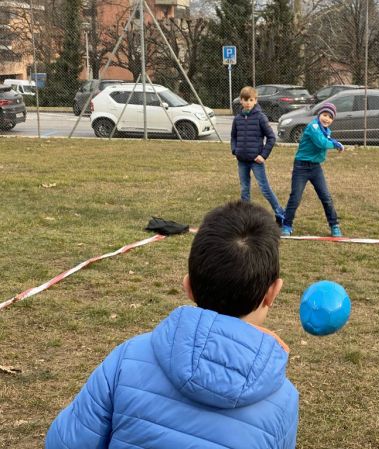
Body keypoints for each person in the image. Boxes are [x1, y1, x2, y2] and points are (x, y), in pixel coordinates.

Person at [45, 201, 299, 449]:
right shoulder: (284, 400)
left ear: (188, 286)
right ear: (273, 293)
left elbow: (64, 442)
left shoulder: (127, 358)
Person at [281, 102, 344, 237]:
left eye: (330, 117)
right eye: (324, 115)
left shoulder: (325, 130)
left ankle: (334, 225)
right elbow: (321, 143)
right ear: (319, 114)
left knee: (326, 197)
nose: (326, 119)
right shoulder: (313, 126)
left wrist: (334, 141)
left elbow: (326, 138)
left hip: (316, 168)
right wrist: (335, 144)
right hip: (301, 167)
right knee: (295, 197)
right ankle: (286, 225)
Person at [232, 86, 285, 225]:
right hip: (242, 160)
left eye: (251, 100)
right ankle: (245, 216)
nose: (248, 102)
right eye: (245, 100)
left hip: (256, 161)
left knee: (265, 188)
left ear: (255, 101)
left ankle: (280, 213)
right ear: (241, 101)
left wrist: (263, 155)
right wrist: (235, 150)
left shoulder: (261, 117)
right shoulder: (237, 119)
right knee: (244, 189)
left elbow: (271, 138)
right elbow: (233, 137)